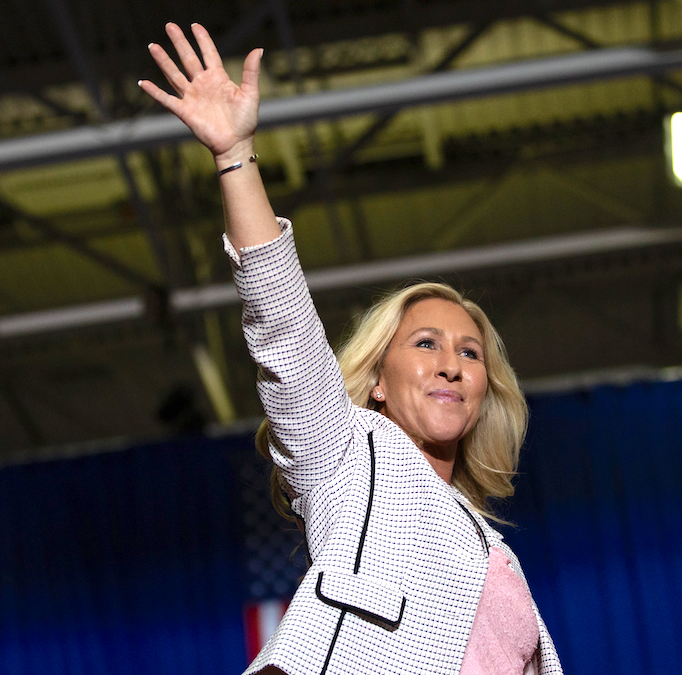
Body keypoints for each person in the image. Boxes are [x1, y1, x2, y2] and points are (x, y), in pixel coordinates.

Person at [140, 23, 563, 675]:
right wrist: (234, 156)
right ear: (379, 382)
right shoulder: (348, 448)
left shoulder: (492, 550)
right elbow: (283, 322)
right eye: (427, 342)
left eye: (472, 353)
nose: (453, 362)